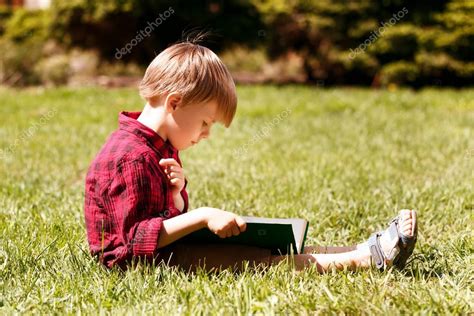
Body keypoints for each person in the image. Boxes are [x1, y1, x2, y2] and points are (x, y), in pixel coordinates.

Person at [83, 39, 418, 273]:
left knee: (268, 250)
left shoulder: (159, 148)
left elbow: (161, 218)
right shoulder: (130, 157)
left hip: (164, 251)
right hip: (140, 264)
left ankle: (360, 250)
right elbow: (136, 241)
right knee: (257, 261)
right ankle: (368, 260)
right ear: (174, 102)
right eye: (205, 123)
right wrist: (200, 216)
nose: (205, 134)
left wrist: (176, 196)